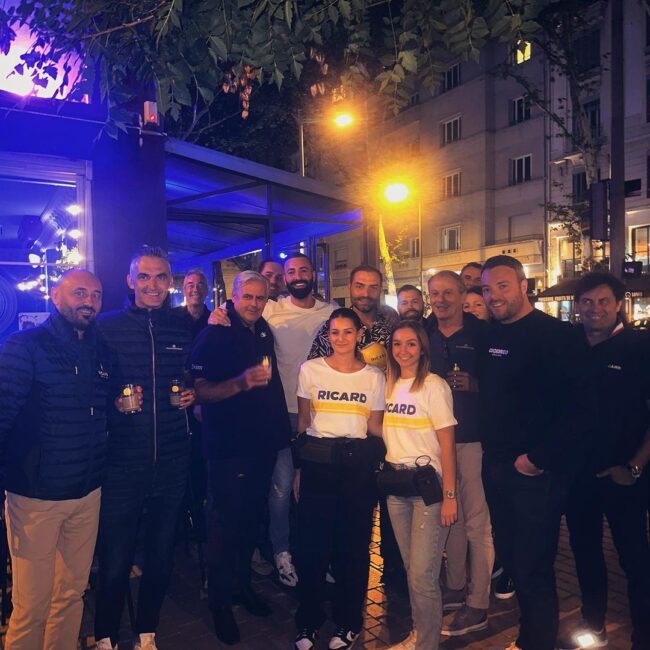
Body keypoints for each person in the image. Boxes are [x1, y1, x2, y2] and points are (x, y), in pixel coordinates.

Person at [479, 255, 590, 650]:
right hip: (495, 467)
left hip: (535, 473)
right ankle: (530, 635)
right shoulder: (489, 336)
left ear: (523, 286)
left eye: (502, 286)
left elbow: (578, 410)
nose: (493, 295)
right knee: (512, 560)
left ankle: (537, 641)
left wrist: (538, 460)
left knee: (533, 568)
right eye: (487, 289)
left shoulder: (558, 336)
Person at [209, 252, 336, 587]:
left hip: (321, 415)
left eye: (303, 270)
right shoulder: (270, 308)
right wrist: (218, 312)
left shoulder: (331, 312)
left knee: (314, 490)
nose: (297, 276)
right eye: (290, 271)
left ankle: (316, 554)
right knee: (279, 491)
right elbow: (238, 308)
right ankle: (281, 553)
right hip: (280, 413)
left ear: (313, 274)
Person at [0, 270, 110, 650]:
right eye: (79, 292)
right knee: (31, 605)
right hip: (36, 497)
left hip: (87, 493)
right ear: (55, 296)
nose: (89, 301)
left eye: (96, 295)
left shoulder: (100, 350)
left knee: (71, 595)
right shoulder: (25, 345)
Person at [94, 246, 196, 650]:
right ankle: (105, 633)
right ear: (130, 280)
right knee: (115, 558)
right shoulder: (107, 326)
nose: (153, 285)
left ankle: (146, 631)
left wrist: (192, 393)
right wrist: (111, 403)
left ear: (170, 282)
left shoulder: (181, 328)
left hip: (171, 461)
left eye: (160, 277)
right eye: (144, 276)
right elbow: (90, 384)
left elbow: (193, 375)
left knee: (160, 555)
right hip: (122, 463)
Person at [191, 270, 291, 645]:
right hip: (228, 449)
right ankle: (219, 603)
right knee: (224, 526)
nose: (253, 303)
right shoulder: (214, 333)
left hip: (261, 446)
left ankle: (242, 587)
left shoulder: (261, 329)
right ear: (232, 297)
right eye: (247, 296)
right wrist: (241, 382)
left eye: (259, 297)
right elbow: (200, 391)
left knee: (250, 521)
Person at [557, 272, 650, 650]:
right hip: (579, 477)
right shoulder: (571, 346)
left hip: (624, 476)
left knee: (634, 558)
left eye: (603, 302)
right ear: (577, 306)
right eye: (587, 302)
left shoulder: (639, 347)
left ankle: (643, 635)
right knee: (585, 554)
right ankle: (593, 625)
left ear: (618, 305)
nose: (594, 309)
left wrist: (634, 466)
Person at [293, 308, 385, 650]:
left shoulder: (374, 376)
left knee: (353, 549)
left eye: (348, 332)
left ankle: (349, 621)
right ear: (327, 335)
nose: (341, 338)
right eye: (335, 332)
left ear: (359, 334)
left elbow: (375, 427)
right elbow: (304, 423)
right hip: (318, 465)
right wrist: (299, 469)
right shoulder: (310, 370)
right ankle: (308, 619)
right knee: (311, 549)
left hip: (356, 469)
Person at [426, 271, 494, 636]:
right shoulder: (424, 332)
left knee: (477, 523)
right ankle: (454, 587)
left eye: (448, 293)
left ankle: (479, 603)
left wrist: (477, 384)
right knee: (449, 517)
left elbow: (504, 383)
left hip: (471, 439)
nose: (441, 300)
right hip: (435, 443)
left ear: (462, 294)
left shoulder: (482, 334)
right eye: (435, 293)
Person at [383, 321, 458, 650]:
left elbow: (448, 445)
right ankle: (420, 634)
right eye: (397, 344)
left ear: (422, 348)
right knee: (412, 568)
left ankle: (426, 643)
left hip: (428, 486)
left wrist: (450, 496)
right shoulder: (387, 384)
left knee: (421, 574)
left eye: (411, 343)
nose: (403, 350)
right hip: (396, 486)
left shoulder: (433, 386)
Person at [174, 268, 210, 338]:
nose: (195, 290)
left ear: (207, 290)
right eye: (191, 286)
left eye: (200, 285)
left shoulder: (213, 321)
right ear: (184, 291)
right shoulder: (171, 318)